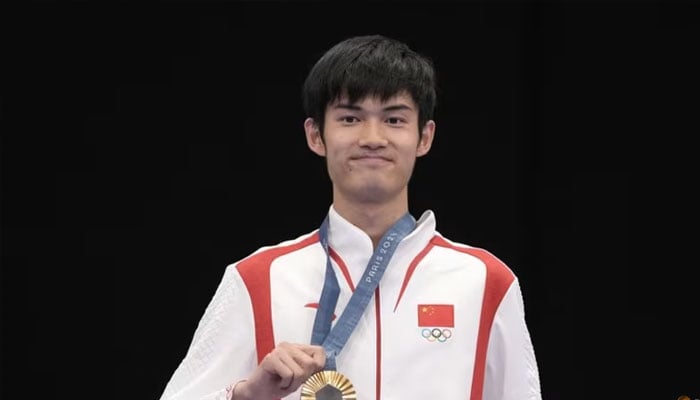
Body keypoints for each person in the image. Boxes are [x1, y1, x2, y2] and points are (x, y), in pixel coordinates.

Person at [159, 34, 542, 400]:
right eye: (349, 119)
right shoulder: (257, 278)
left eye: (394, 120)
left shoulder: (486, 281)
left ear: (424, 137)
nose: (372, 137)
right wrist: (246, 395)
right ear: (315, 135)